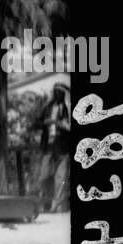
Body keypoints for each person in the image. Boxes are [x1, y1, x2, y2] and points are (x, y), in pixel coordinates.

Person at [36, 79, 72, 212]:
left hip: (63, 147)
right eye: (55, 92)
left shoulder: (69, 108)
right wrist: (46, 122)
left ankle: (56, 206)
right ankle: (47, 202)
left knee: (60, 178)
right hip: (48, 146)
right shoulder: (47, 107)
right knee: (44, 175)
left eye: (60, 93)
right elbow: (37, 123)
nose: (57, 95)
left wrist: (61, 124)